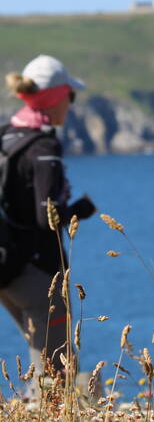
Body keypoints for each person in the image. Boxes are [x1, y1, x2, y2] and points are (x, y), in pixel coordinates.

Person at [1, 55, 96, 389]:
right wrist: (79, 211)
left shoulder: (7, 135)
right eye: (70, 96)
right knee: (58, 373)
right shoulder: (44, 145)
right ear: (57, 98)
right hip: (39, 272)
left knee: (38, 362)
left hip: (8, 269)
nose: (71, 105)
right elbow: (47, 218)